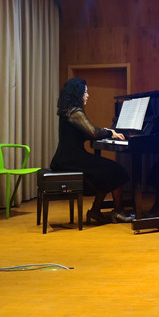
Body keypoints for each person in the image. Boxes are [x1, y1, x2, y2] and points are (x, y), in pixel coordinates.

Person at [50, 78, 132, 224]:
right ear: (78, 94)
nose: (87, 95)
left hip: (68, 158)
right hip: (71, 160)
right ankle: (118, 211)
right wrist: (110, 133)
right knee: (115, 169)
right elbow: (93, 133)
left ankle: (95, 211)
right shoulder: (75, 112)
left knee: (107, 171)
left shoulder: (69, 111)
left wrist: (105, 131)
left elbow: (87, 131)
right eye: (85, 92)